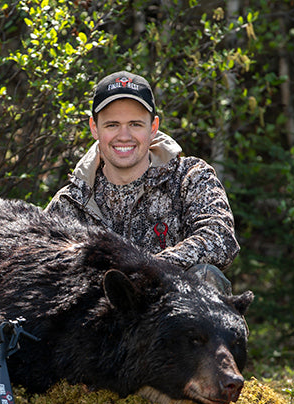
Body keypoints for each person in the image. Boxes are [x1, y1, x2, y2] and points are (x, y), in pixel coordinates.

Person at [45, 71, 239, 294]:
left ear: (153, 127)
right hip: (99, 319)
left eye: (135, 124)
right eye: (112, 125)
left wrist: (144, 270)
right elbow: (43, 267)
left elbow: (219, 238)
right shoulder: (71, 202)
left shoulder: (190, 176)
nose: (124, 135)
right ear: (94, 128)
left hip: (172, 315)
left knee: (206, 276)